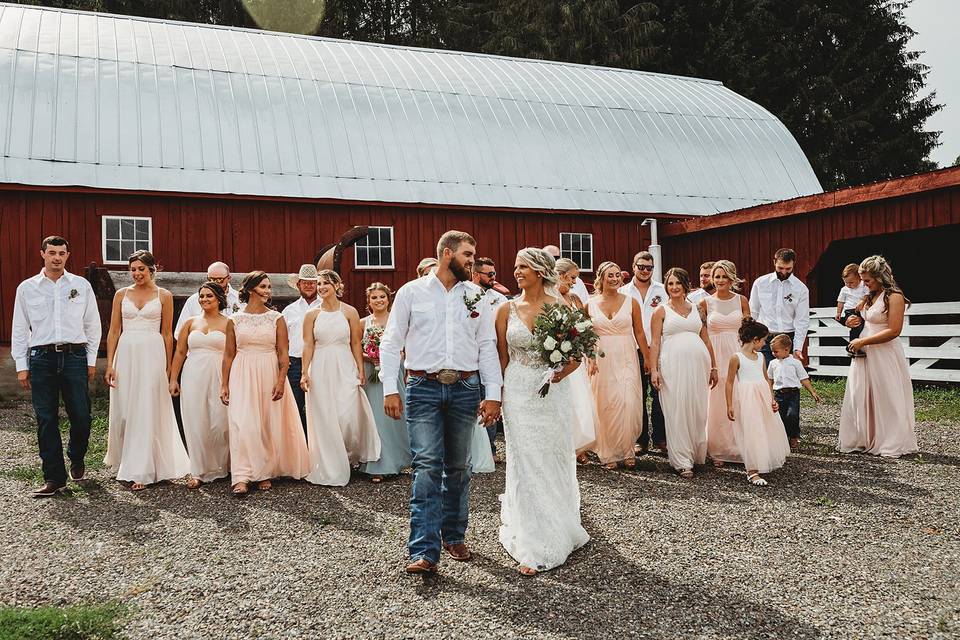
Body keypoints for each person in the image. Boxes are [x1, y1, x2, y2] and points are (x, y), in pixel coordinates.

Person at [379, 230, 502, 575]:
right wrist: (391, 388)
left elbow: (487, 347)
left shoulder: (477, 296)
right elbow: (391, 343)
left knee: (460, 467)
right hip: (423, 387)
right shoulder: (410, 292)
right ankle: (423, 550)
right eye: (468, 255)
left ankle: (453, 535)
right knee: (428, 466)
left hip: (465, 387)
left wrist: (493, 394)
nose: (472, 262)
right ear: (447, 254)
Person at [495, 248, 589, 575]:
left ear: (539, 271)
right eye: (516, 266)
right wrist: (498, 394)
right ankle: (534, 540)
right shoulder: (505, 309)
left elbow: (577, 355)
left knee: (552, 454)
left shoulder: (560, 307)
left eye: (523, 267)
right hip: (518, 390)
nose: (517, 271)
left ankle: (557, 525)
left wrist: (561, 372)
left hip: (552, 391)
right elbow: (501, 357)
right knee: (525, 458)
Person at [12, 236, 102, 497]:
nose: (57, 258)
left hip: (74, 356)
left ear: (67, 255)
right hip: (42, 358)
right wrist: (21, 364)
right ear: (42, 254)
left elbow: (92, 324)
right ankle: (54, 478)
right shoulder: (27, 288)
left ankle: (76, 455)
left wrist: (91, 360)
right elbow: (20, 328)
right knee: (46, 418)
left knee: (82, 416)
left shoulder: (80, 285)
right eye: (52, 252)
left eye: (61, 253)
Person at [104, 250, 190, 490]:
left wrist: (168, 367)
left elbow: (166, 334)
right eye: (132, 269)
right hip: (127, 354)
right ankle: (125, 460)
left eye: (141, 269)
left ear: (152, 269)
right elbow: (113, 331)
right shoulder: (121, 295)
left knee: (146, 408)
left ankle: (142, 468)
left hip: (152, 354)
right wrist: (110, 363)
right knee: (125, 409)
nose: (136, 274)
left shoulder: (164, 295)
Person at [220, 271, 310, 496]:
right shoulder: (235, 319)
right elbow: (228, 354)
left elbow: (283, 352)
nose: (268, 291)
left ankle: (264, 472)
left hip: (268, 369)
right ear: (251, 289)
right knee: (242, 422)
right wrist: (224, 384)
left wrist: (281, 381)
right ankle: (240, 476)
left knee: (266, 423)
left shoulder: (276, 318)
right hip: (242, 370)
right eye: (263, 287)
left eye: (269, 287)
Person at [300, 270, 381, 486]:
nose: (322, 287)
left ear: (337, 285)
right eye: (319, 284)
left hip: (344, 363)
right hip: (321, 366)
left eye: (326, 283)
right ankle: (330, 464)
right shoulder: (311, 315)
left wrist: (360, 369)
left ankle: (349, 455)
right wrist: (304, 372)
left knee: (347, 414)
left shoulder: (350, 312)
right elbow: (308, 345)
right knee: (325, 416)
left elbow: (356, 342)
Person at [839, 256, 918, 457]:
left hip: (884, 352)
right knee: (861, 394)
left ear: (879, 276)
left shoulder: (894, 296)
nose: (864, 285)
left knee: (886, 395)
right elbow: (863, 320)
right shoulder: (869, 296)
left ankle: (889, 440)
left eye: (867, 280)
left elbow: (894, 330)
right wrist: (851, 322)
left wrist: (863, 341)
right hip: (864, 351)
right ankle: (865, 437)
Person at [650, 268, 718, 479]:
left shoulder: (698, 309)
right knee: (677, 409)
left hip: (698, 366)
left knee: (696, 408)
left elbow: (706, 340)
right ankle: (681, 460)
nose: (674, 287)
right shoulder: (660, 311)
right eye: (670, 284)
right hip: (672, 366)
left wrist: (714, 366)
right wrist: (654, 370)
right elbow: (654, 342)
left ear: (686, 284)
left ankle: (695, 452)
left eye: (678, 283)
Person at [168, 282, 231, 487]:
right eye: (201, 296)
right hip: (193, 374)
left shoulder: (229, 323)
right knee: (195, 421)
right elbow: (179, 353)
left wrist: (229, 381)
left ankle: (224, 465)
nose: (204, 300)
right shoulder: (190, 323)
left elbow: (232, 354)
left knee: (220, 423)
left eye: (209, 296)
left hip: (219, 375)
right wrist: (173, 378)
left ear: (219, 299)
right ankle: (198, 470)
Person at [586, 261, 648, 470]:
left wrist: (647, 358)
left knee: (628, 401)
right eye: (609, 275)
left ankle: (627, 448)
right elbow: (585, 335)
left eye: (617, 275)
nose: (614, 279)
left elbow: (639, 332)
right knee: (605, 404)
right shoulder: (590, 304)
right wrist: (589, 357)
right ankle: (608, 452)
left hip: (626, 356)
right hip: (600, 358)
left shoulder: (631, 302)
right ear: (601, 278)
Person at [724, 318, 791, 486]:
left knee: (764, 428)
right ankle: (752, 471)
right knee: (751, 431)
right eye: (763, 340)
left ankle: (761, 460)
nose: (764, 344)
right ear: (755, 339)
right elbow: (730, 382)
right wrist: (730, 404)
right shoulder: (736, 357)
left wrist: (772, 399)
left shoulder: (760, 357)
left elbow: (765, 378)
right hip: (747, 398)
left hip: (762, 396)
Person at [358, 283, 412, 482]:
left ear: (389, 299)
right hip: (372, 373)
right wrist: (369, 356)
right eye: (374, 298)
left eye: (382, 296)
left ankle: (401, 459)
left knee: (396, 415)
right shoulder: (363, 323)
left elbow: (408, 344)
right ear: (368, 301)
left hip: (395, 370)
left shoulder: (397, 320)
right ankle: (378, 463)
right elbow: (355, 348)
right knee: (376, 418)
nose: (379, 300)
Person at [698, 260, 750, 467]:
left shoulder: (741, 300)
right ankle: (718, 448)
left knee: (739, 397)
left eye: (724, 277)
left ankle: (740, 445)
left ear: (732, 278)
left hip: (737, 353)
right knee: (717, 399)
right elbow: (700, 333)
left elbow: (748, 331)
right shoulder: (705, 303)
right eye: (717, 277)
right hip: (715, 354)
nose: (720, 281)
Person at [619, 251, 668, 453]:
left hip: (659, 348)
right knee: (636, 394)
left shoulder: (663, 290)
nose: (645, 271)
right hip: (633, 349)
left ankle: (661, 438)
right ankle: (640, 439)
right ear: (633, 267)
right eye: (641, 267)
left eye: (649, 267)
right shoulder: (623, 291)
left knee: (659, 394)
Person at [556, 258, 597, 460]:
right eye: (572, 278)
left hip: (575, 358)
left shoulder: (574, 299)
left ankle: (576, 446)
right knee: (562, 402)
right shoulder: (548, 299)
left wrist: (589, 353)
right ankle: (561, 444)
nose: (574, 283)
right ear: (560, 276)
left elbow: (586, 328)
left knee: (578, 401)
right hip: (556, 357)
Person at [472, 257, 508, 457]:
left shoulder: (500, 298)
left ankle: (491, 448)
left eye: (494, 273)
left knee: (490, 400)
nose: (494, 278)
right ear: (476, 274)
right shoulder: (466, 294)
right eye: (490, 274)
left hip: (492, 356)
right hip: (469, 358)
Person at [749, 248, 809, 365]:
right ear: (774, 262)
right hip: (764, 337)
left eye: (788, 269)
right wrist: (751, 339)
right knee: (766, 376)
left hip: (788, 339)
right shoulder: (760, 283)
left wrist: (797, 348)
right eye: (780, 268)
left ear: (793, 264)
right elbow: (753, 311)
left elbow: (802, 320)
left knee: (786, 378)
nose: (784, 272)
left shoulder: (800, 288)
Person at [282, 264, 321, 434]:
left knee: (320, 405)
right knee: (297, 406)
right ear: (298, 285)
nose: (309, 286)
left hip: (320, 361)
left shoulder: (326, 307)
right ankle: (302, 445)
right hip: (295, 364)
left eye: (313, 282)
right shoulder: (289, 311)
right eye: (305, 282)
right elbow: (283, 340)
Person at [768, 334, 821, 451]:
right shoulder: (773, 363)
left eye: (776, 351)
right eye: (772, 351)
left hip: (793, 394)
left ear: (786, 350)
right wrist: (769, 394)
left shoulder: (795, 363)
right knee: (780, 417)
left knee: (792, 415)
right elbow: (770, 380)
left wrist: (812, 391)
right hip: (779, 394)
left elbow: (803, 378)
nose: (773, 354)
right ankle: (782, 438)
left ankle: (793, 436)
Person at [174, 261, 242, 336]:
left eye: (219, 280)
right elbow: (179, 333)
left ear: (229, 278)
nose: (215, 283)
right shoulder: (193, 300)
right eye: (211, 279)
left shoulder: (240, 299)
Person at [836, 263, 868, 357]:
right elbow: (840, 301)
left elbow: (867, 295)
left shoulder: (863, 285)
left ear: (859, 278)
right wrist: (838, 312)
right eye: (846, 282)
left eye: (851, 282)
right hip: (850, 310)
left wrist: (862, 301)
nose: (848, 285)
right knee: (856, 327)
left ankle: (857, 347)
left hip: (861, 310)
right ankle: (852, 347)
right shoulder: (844, 289)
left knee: (863, 328)